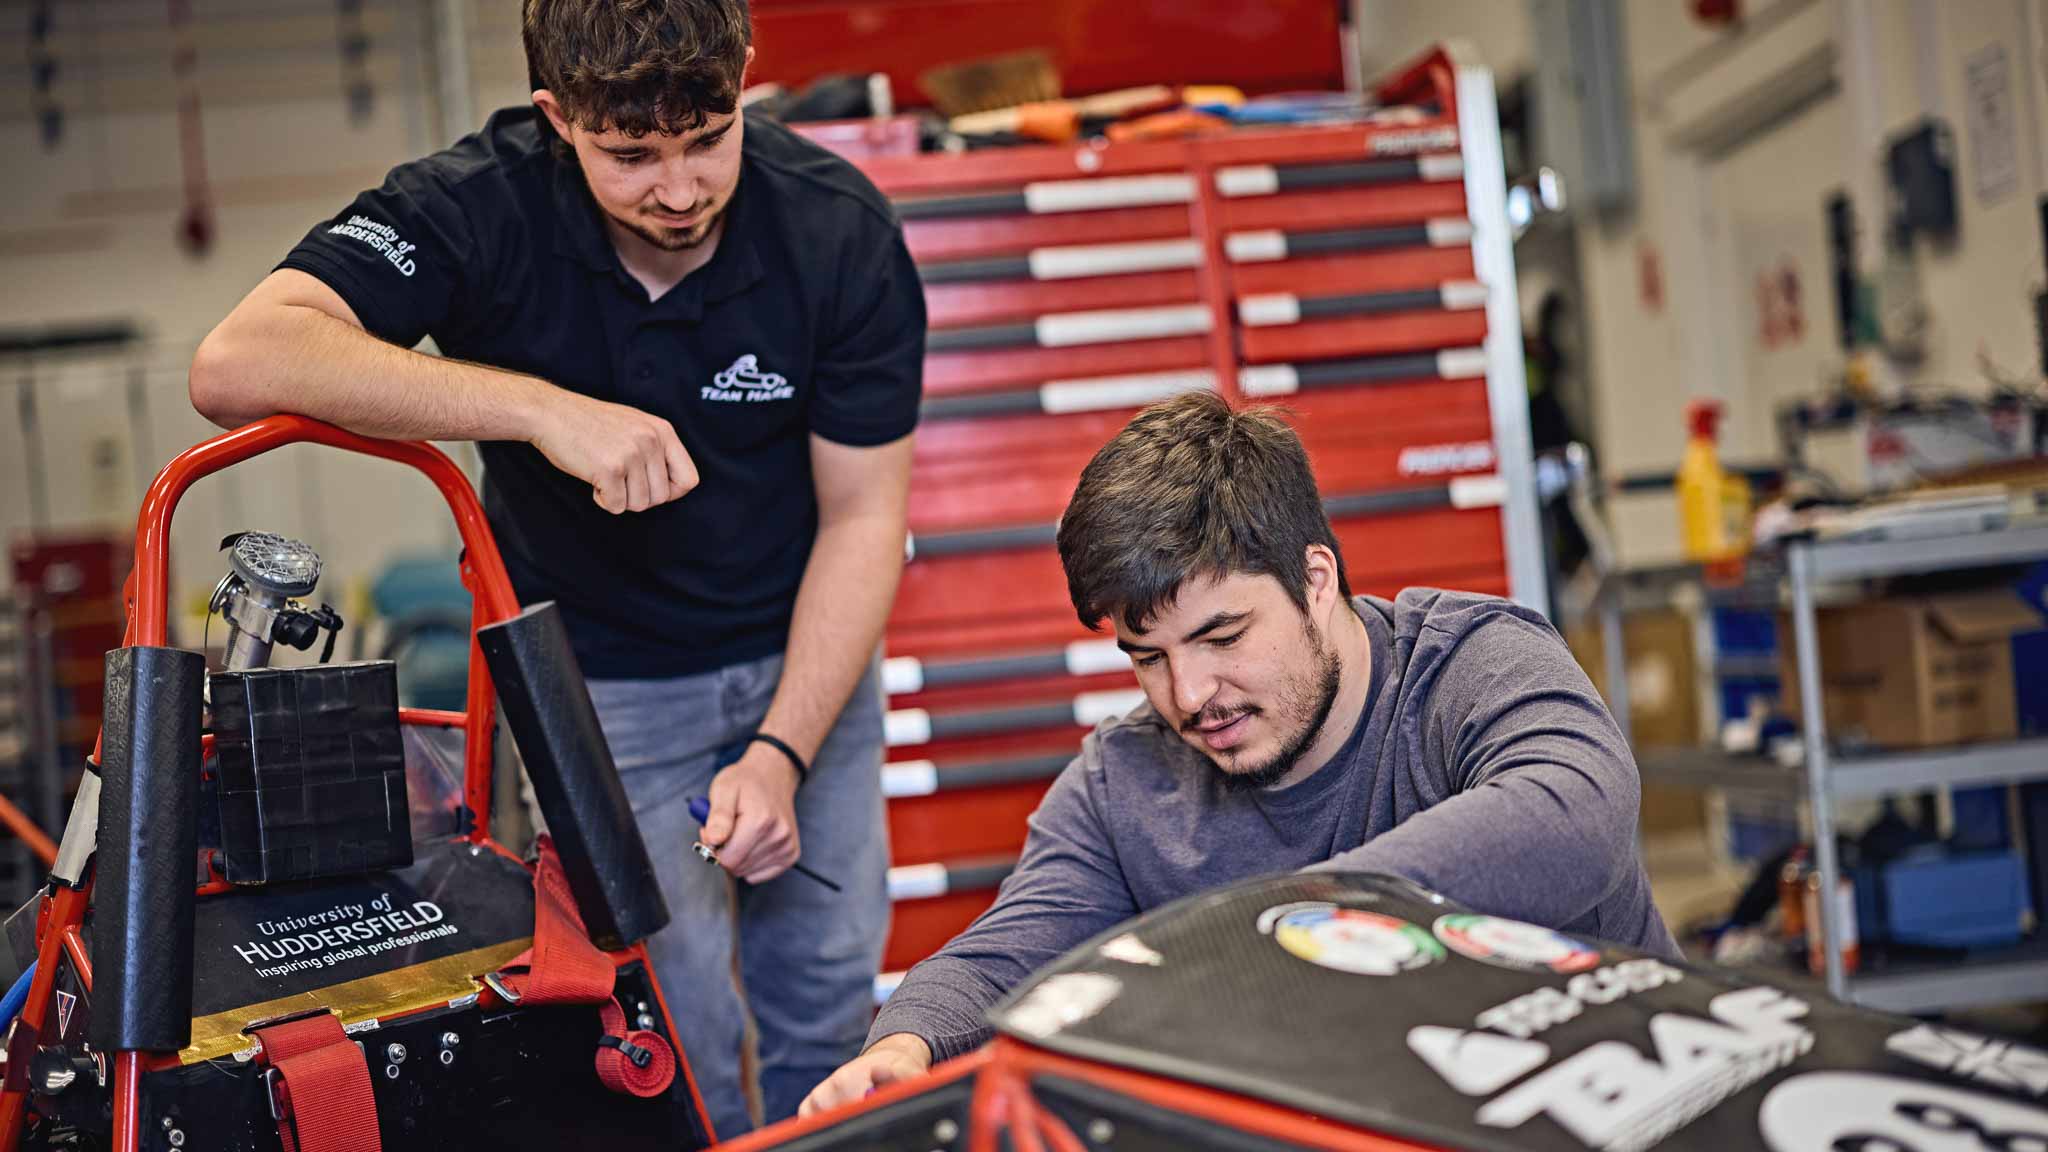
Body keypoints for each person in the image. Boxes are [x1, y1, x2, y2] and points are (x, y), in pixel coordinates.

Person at [187, 0, 923, 1134]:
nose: (678, 190)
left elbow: (867, 517)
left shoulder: (838, 233)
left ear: (746, 85)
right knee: (667, 1031)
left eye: (707, 138)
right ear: (556, 117)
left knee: (827, 1010)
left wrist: (783, 750)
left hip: (805, 663)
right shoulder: (478, 204)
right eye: (631, 155)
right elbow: (241, 358)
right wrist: (538, 410)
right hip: (607, 691)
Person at [801, 391, 1677, 1116]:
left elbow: (1577, 817)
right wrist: (904, 1046)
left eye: (1222, 636)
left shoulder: (1472, 663)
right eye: (1149, 657)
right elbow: (1002, 959)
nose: (1189, 696)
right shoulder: (1122, 784)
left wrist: (1281, 923)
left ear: (1317, 580)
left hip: (1638, 1101)